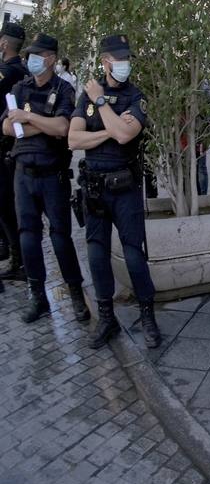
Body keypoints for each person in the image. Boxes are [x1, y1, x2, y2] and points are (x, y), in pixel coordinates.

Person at [67, 35, 160, 348]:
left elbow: (125, 136)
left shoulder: (136, 97)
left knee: (134, 255)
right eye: (118, 59)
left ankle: (148, 315)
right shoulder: (86, 95)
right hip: (94, 188)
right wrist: (111, 127)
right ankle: (107, 319)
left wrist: (102, 104)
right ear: (105, 61)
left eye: (127, 58)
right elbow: (74, 139)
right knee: (96, 253)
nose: (124, 64)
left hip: (125, 188)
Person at [3, 33, 88, 324]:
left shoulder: (63, 89)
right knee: (28, 236)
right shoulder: (20, 86)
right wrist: (42, 123)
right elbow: (5, 127)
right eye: (30, 55)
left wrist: (26, 119)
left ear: (51, 58)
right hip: (23, 173)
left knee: (61, 237)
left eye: (37, 56)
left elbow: (63, 127)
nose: (32, 60)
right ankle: (38, 296)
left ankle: (75, 293)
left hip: (53, 175)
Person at [0, 22, 27, 285]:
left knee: (5, 203)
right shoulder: (22, 71)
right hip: (13, 144)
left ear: (4, 43)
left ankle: (17, 258)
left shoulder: (7, 71)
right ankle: (11, 250)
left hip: (6, 144)